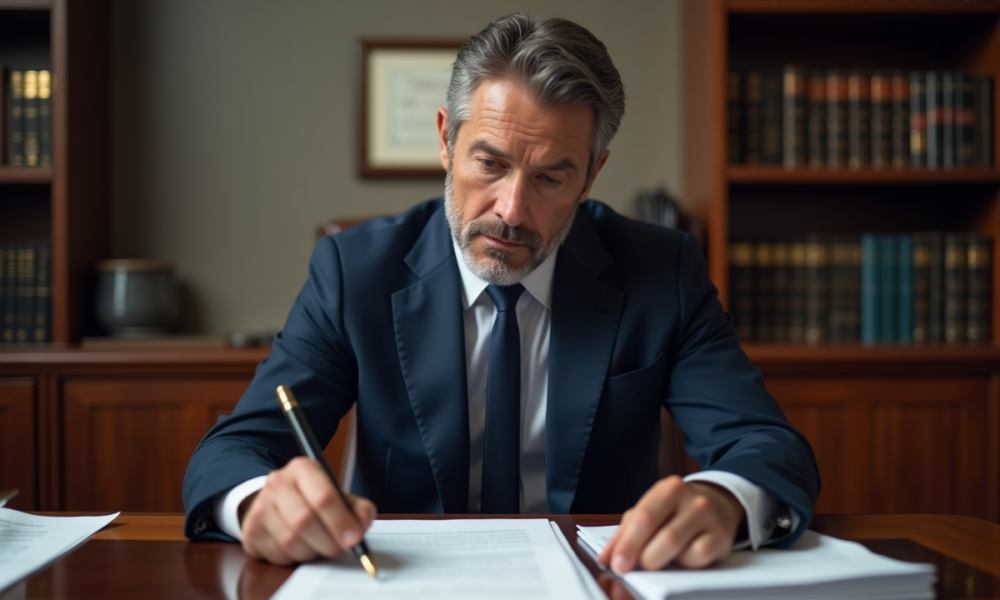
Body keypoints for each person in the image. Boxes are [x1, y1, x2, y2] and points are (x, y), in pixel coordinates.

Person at [183, 12, 820, 573]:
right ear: (444, 140)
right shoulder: (356, 272)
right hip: (404, 583)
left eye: (549, 177)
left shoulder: (662, 272)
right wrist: (259, 503)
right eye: (489, 163)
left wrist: (724, 500)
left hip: (599, 581)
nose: (511, 211)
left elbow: (767, 446)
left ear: (592, 173)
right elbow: (236, 449)